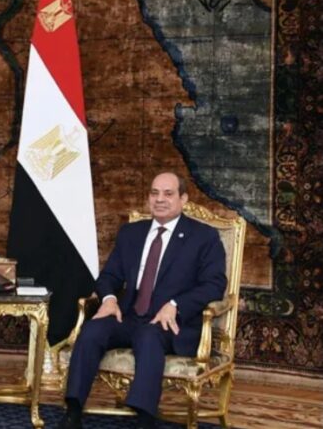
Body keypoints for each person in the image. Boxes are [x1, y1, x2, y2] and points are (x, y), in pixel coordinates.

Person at [61, 172, 226, 429]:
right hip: (128, 316)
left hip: (170, 323)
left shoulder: (203, 236)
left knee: (148, 336)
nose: (160, 199)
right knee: (93, 329)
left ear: (183, 199)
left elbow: (214, 285)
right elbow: (109, 276)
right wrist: (109, 299)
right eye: (154, 193)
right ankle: (73, 411)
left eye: (168, 194)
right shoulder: (131, 233)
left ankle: (145, 418)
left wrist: (176, 305)